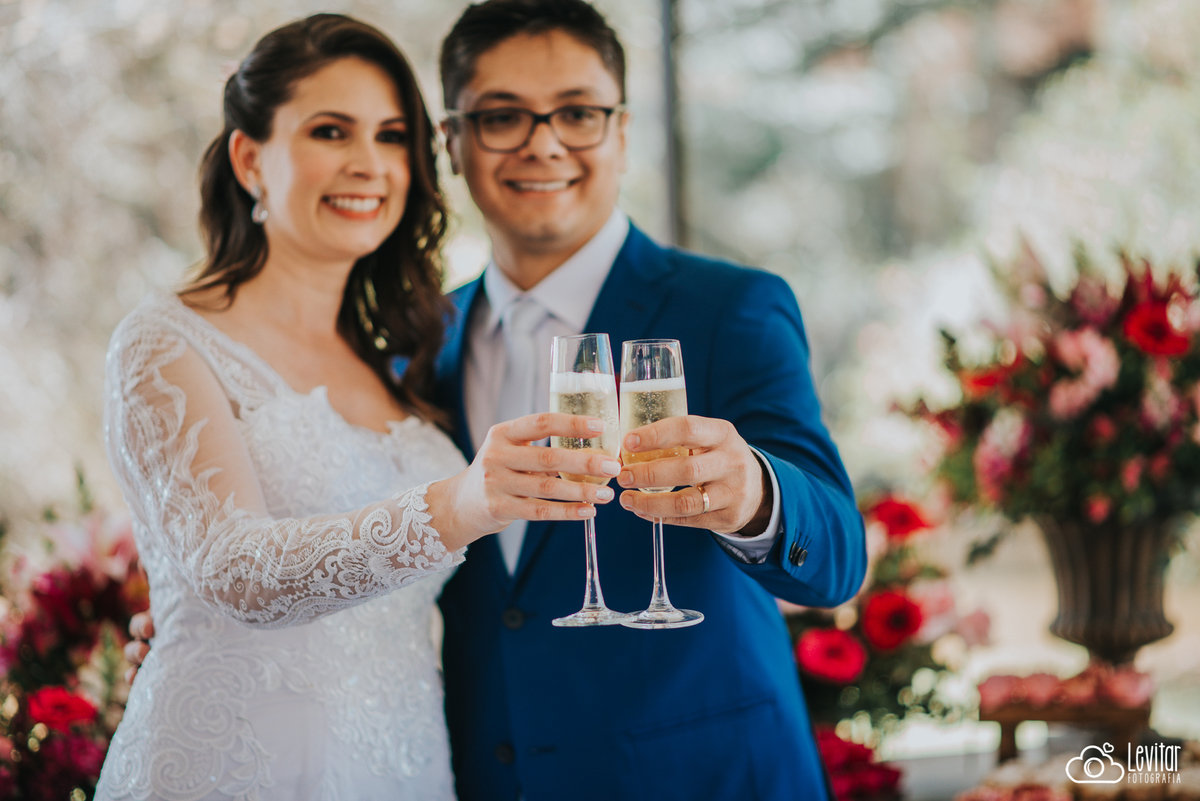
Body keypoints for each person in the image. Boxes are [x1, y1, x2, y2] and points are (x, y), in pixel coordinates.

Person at [98, 14, 618, 800]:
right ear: (249, 158)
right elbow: (233, 572)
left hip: (404, 762)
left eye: (392, 136)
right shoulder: (167, 341)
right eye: (331, 132)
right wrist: (459, 502)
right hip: (236, 768)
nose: (369, 165)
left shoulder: (404, 358)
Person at [431, 1, 868, 800]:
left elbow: (837, 555)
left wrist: (756, 495)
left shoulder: (730, 308)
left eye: (577, 112)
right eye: (501, 117)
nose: (543, 141)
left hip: (704, 777)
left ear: (623, 132)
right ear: (453, 142)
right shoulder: (420, 340)